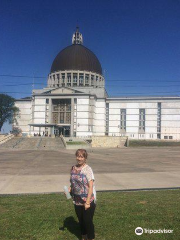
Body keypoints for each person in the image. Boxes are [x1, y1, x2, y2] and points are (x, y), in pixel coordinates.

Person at [69, 149, 96, 240]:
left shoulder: (87, 169)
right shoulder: (73, 168)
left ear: (85, 158)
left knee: (87, 221)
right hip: (77, 200)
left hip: (87, 200)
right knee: (81, 221)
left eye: (81, 156)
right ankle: (83, 237)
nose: (79, 158)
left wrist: (88, 202)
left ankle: (91, 238)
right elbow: (72, 181)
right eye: (78, 156)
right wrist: (69, 188)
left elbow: (91, 186)